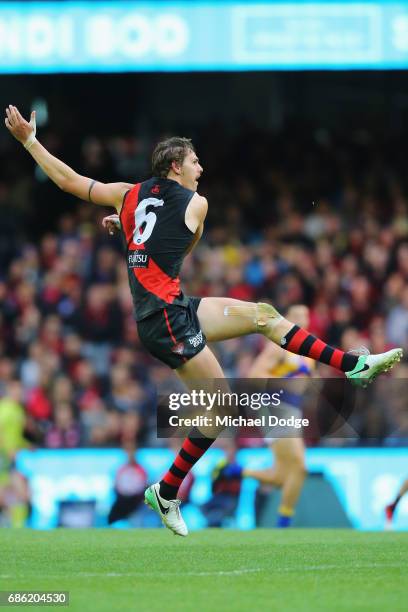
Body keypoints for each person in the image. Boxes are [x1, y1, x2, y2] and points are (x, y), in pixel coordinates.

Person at [5, 105, 403, 537]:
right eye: (195, 162)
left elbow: (68, 181)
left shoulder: (126, 194)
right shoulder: (197, 203)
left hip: (172, 307)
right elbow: (180, 249)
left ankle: (353, 365)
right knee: (222, 406)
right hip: (165, 318)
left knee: (263, 316)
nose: (202, 168)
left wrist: (29, 141)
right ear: (176, 166)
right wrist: (132, 231)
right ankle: (167, 490)